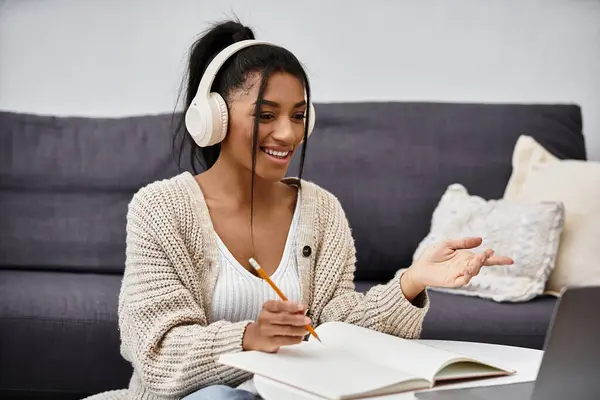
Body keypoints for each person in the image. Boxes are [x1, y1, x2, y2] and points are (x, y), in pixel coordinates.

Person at [86, 19, 513, 400]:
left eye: (298, 115)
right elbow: (156, 353)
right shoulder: (160, 209)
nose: (287, 134)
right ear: (212, 118)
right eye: (266, 115)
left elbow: (337, 326)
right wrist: (251, 337)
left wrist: (412, 282)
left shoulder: (322, 211)